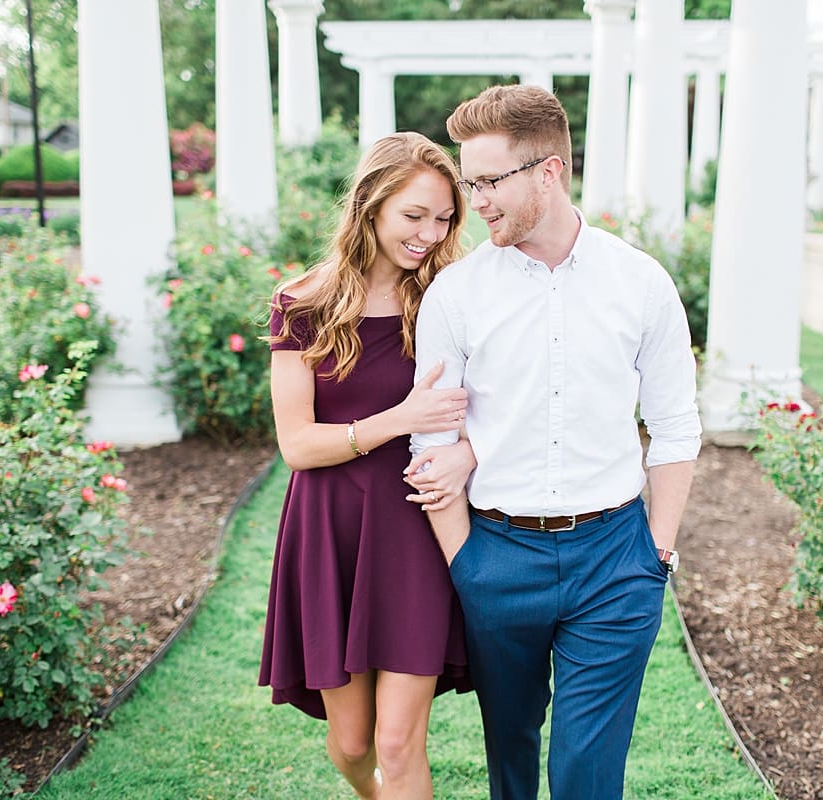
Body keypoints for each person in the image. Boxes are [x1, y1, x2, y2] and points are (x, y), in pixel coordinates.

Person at [405, 85, 702, 799]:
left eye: (488, 181)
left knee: (584, 774)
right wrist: (466, 563)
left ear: (549, 171)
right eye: (469, 182)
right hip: (498, 555)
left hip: (616, 562)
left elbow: (675, 425)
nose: (475, 201)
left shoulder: (641, 284)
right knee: (510, 756)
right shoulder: (457, 293)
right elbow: (432, 437)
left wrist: (654, 552)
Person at [259, 131, 476, 800]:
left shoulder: (450, 298)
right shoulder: (302, 305)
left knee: (396, 742)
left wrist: (465, 453)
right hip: (329, 534)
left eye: (443, 219)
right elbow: (296, 444)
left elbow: (494, 412)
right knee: (352, 745)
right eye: (415, 216)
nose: (430, 234)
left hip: (414, 531)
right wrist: (398, 420)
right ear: (369, 205)